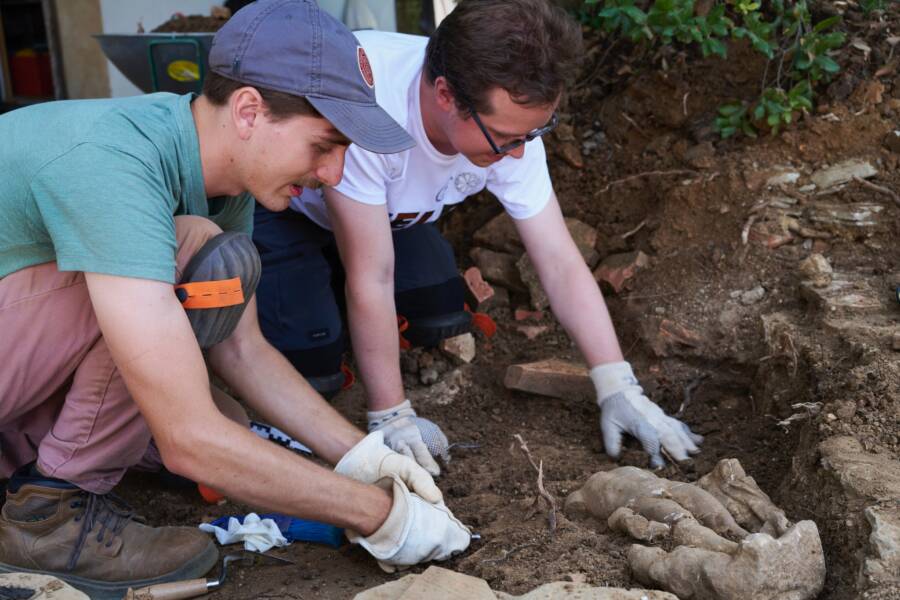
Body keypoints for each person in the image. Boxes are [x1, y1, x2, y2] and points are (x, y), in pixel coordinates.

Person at [0, 1, 470, 598]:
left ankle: (38, 463)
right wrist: (378, 515)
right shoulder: (116, 165)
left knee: (233, 423)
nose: (334, 172)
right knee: (193, 267)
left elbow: (242, 351)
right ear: (248, 110)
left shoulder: (219, 179)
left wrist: (361, 456)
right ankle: (50, 516)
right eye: (326, 144)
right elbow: (190, 438)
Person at [253, 0, 704, 477]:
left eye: (533, 134)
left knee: (441, 311)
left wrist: (618, 385)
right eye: (506, 139)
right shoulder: (371, 106)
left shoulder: (512, 125)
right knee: (314, 360)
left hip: (388, 217)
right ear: (446, 95)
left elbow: (559, 261)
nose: (518, 155)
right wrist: (391, 415)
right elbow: (372, 274)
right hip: (286, 208)